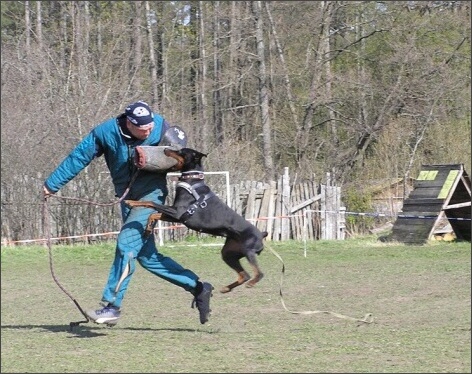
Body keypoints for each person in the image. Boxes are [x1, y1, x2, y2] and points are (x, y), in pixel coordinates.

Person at [43, 100, 213, 325]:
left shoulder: (161, 127)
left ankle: (111, 306)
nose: (149, 130)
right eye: (143, 128)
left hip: (151, 199)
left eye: (151, 125)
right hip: (128, 200)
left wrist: (159, 161)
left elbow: (181, 159)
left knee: (126, 244)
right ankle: (199, 287)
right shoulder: (105, 133)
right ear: (129, 123)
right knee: (147, 257)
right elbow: (78, 158)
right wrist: (51, 185)